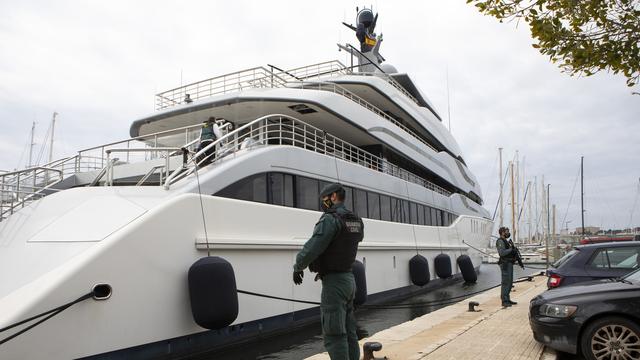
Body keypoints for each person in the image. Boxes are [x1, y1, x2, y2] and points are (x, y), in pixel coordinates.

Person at [293, 183, 364, 360]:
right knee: (349, 332)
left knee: (334, 334)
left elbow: (312, 248)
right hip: (349, 279)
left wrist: (298, 267)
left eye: (324, 199)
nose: (322, 203)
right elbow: (354, 239)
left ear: (333, 197)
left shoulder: (330, 219)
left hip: (335, 284)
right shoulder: (356, 220)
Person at [496, 226, 517, 307]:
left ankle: (507, 299)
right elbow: (502, 253)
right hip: (505, 264)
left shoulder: (506, 241)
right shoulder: (500, 241)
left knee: (510, 282)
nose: (508, 233)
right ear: (502, 233)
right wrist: (511, 249)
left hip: (509, 263)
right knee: (506, 282)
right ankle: (504, 301)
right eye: (507, 231)